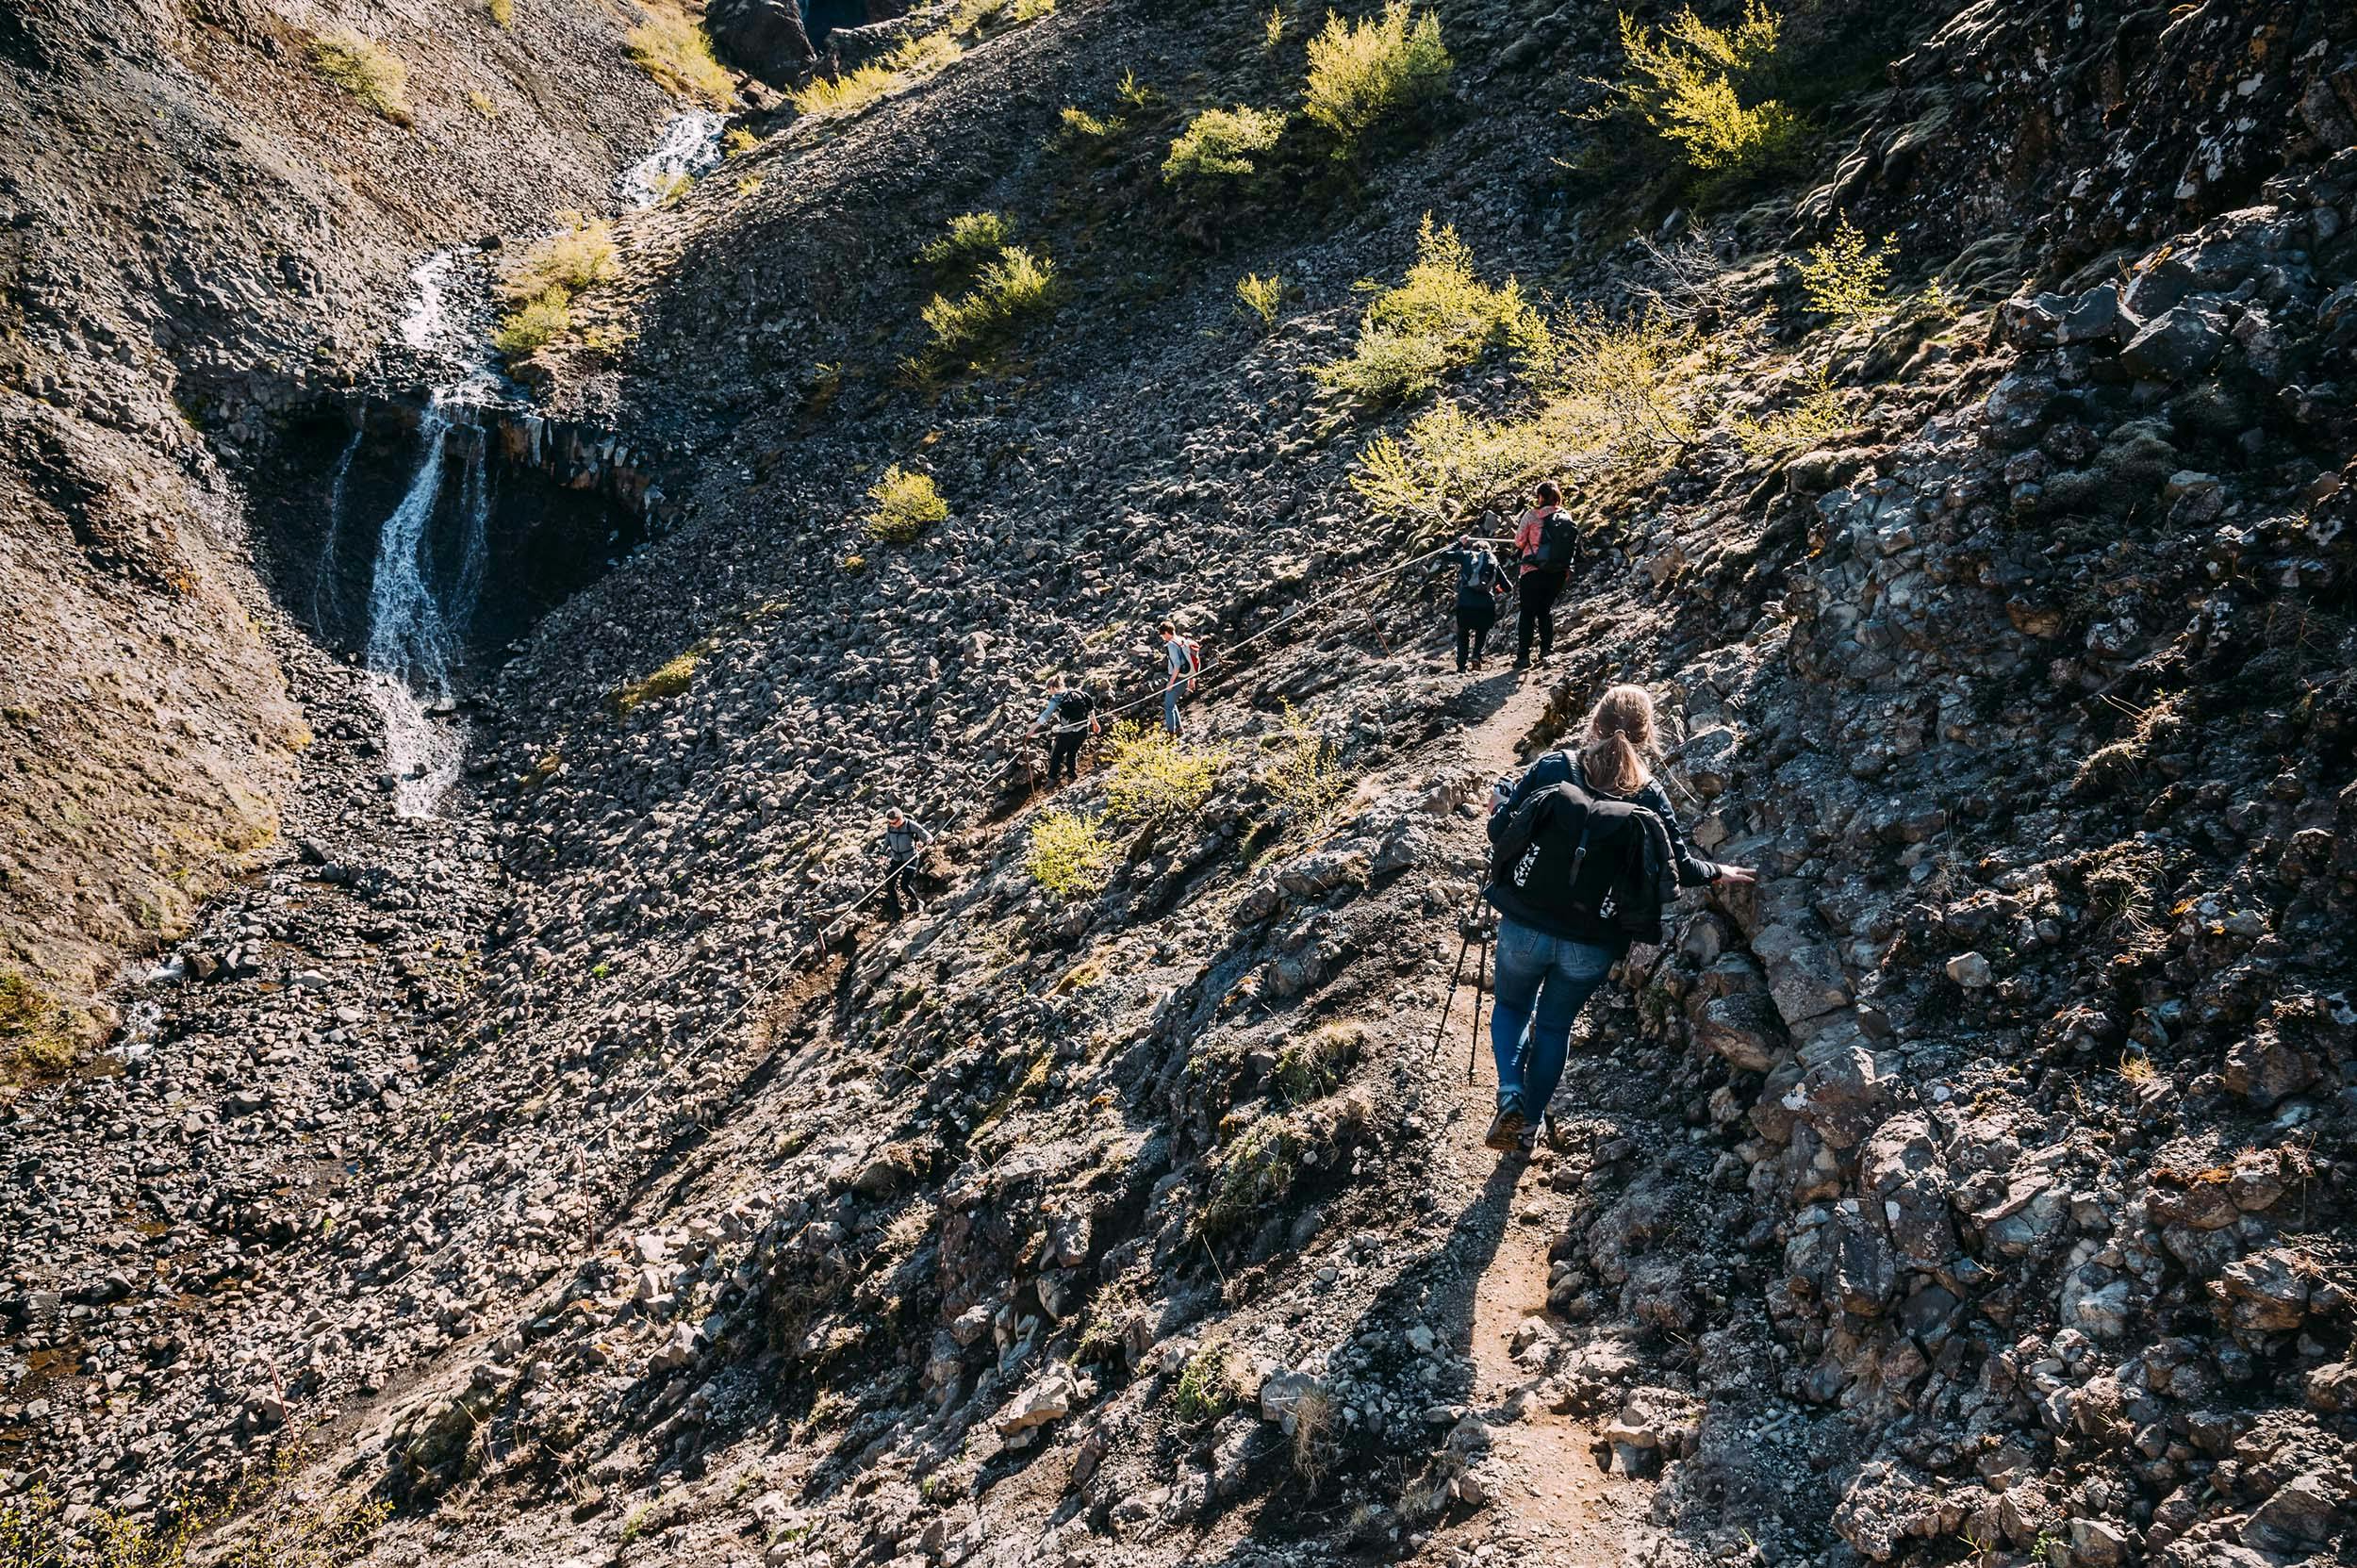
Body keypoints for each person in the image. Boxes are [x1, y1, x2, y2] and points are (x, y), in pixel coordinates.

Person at [1480, 685, 1755, 1152]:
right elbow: (1680, 868)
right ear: (1647, 737)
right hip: (1592, 940)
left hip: (1526, 922)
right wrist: (1719, 872)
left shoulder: (1555, 767)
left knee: (1510, 1007)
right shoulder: (1649, 795)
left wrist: (1497, 804)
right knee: (1553, 1027)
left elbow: (1500, 832)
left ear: (1594, 723)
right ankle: (1528, 1126)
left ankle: (1510, 1093)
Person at [1510, 481, 1579, 670]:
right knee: (1545, 610)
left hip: (1532, 570)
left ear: (1540, 496)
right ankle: (1546, 650)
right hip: (1557, 572)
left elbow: (1518, 541)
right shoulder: (1565, 515)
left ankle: (1523, 656)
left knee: (1527, 612)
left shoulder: (1532, 515)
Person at [1448, 528, 1510, 672]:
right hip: (1486, 604)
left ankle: (1461, 666)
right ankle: (1476, 655)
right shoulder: (1493, 562)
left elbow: (1443, 554)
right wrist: (1497, 588)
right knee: (1481, 631)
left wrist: (1459, 544)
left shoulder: (1467, 556)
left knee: (1463, 633)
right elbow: (1508, 587)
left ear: (1473, 549)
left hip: (1466, 603)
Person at [1029, 674, 1100, 785]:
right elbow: (1090, 709)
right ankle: (1072, 775)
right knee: (1072, 752)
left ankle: (1052, 779)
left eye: (1049, 689)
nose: (1049, 692)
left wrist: (1031, 730)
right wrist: (1095, 724)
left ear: (1053, 688)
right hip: (1083, 730)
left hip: (1067, 732)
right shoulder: (1079, 693)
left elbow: (1046, 715)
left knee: (1057, 754)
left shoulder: (1057, 699)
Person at [879, 806, 933, 918]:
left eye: (893, 823)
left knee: (904, 885)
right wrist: (882, 853)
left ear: (900, 819)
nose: (891, 825)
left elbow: (922, 831)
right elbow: (888, 839)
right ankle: (897, 908)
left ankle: (918, 901)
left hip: (911, 858)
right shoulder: (890, 827)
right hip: (896, 859)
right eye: (889, 823)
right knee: (889, 884)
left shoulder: (910, 825)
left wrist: (928, 838)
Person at [1158, 621, 1201, 736]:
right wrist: (1191, 679)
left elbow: (1177, 665)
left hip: (1177, 679)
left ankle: (1171, 734)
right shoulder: (1182, 640)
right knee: (1172, 704)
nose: (1163, 638)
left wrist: (1170, 683)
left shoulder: (1171, 644)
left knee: (1168, 706)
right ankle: (1179, 728)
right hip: (1185, 677)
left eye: (1163, 635)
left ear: (1167, 633)